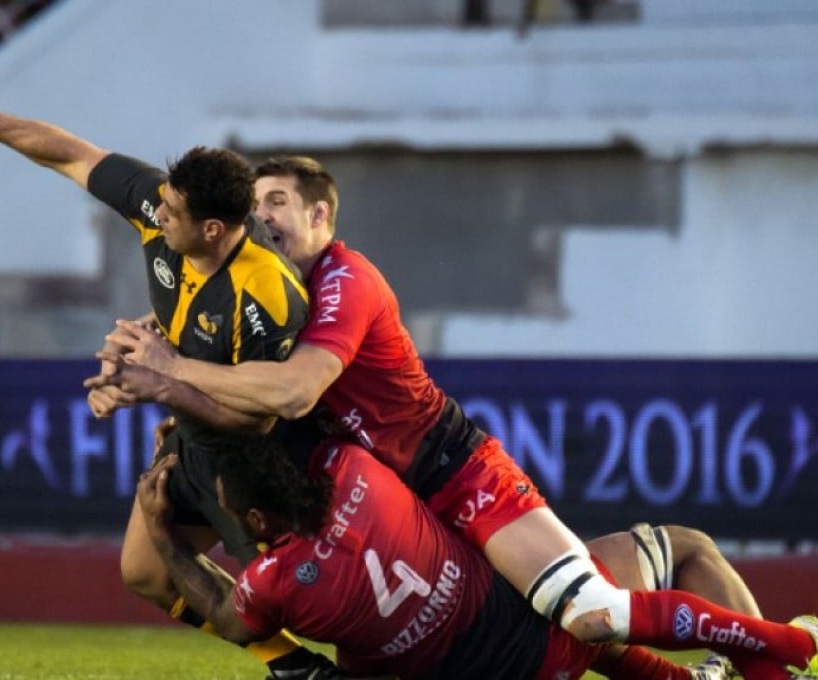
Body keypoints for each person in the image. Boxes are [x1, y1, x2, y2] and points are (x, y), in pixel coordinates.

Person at [91, 155, 818, 666]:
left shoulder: (346, 281)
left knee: (583, 616)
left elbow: (291, 394)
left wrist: (172, 374)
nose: (262, 218)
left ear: (319, 215)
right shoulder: (264, 302)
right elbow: (245, 392)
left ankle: (785, 652)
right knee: (151, 569)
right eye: (254, 207)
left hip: (452, 474)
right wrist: (172, 393)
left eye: (277, 202)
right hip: (397, 510)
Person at [0, 76, 338, 679]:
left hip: (255, 462)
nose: (158, 212)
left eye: (174, 212)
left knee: (315, 600)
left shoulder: (267, 295)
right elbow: (75, 155)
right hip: (191, 438)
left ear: (212, 230)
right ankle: (291, 666)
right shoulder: (165, 207)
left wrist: (158, 385)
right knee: (145, 572)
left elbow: (258, 417)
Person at [137, 436, 818, 679]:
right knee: (679, 553)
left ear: (254, 521)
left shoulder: (272, 585)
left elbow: (228, 616)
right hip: (531, 628)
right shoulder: (353, 470)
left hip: (486, 668)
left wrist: (166, 532)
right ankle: (777, 648)